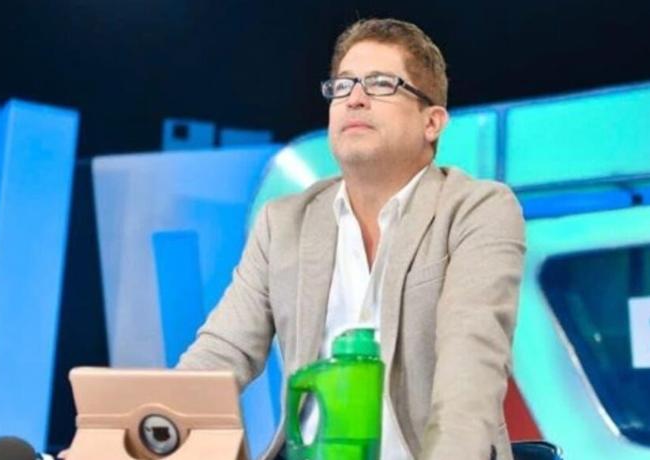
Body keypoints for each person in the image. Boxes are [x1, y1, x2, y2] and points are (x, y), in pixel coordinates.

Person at [178, 17, 525, 460]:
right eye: (342, 86)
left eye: (380, 84)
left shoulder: (477, 210)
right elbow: (219, 355)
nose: (355, 99)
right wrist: (142, 429)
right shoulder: (284, 223)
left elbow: (470, 373)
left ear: (432, 122)